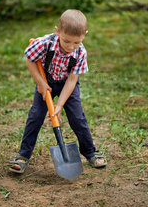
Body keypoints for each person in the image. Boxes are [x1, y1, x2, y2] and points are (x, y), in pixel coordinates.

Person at [9, 9, 106, 174]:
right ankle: (23, 155)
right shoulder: (44, 43)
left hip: (68, 85)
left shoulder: (80, 52)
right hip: (45, 81)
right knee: (36, 116)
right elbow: (30, 59)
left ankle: (90, 152)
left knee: (77, 118)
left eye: (77, 42)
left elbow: (72, 80)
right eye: (67, 41)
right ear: (57, 31)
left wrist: (59, 104)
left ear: (84, 35)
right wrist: (40, 83)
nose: (71, 47)